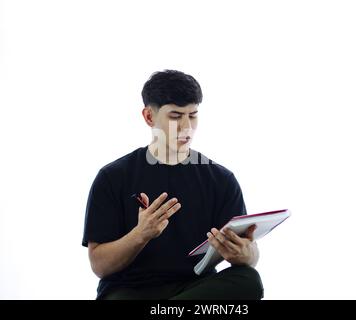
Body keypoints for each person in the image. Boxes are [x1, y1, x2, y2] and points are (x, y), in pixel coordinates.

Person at [82, 69, 264, 300]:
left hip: (197, 289)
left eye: (193, 115)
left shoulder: (221, 179)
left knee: (248, 280)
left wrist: (245, 254)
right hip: (130, 291)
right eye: (176, 116)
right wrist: (140, 234)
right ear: (149, 117)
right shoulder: (113, 177)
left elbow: (251, 256)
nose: (186, 127)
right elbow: (100, 266)